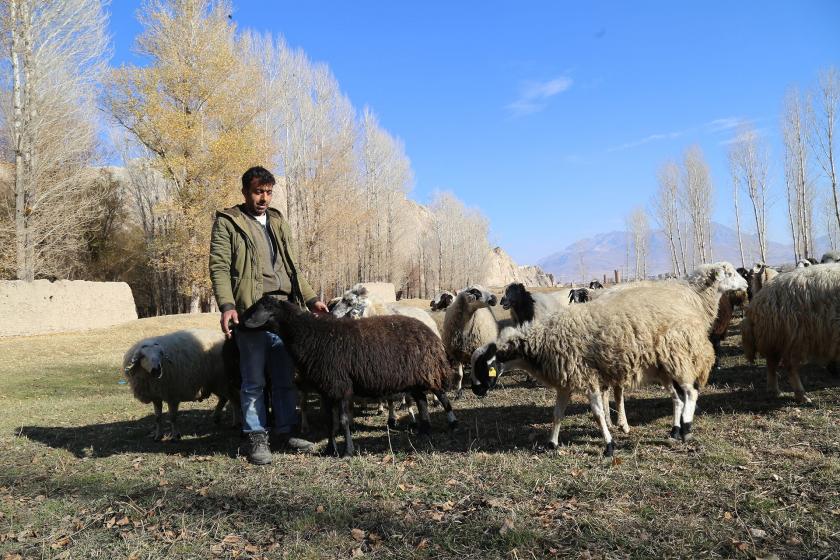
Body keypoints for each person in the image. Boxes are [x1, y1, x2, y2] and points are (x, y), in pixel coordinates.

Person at [209, 166, 329, 464]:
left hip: (285, 311)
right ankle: (257, 436)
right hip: (252, 309)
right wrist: (227, 306)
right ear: (245, 192)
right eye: (257, 192)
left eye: (268, 192)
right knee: (253, 379)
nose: (263, 198)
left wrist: (311, 298)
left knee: (284, 376)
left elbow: (292, 266)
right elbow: (219, 267)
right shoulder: (229, 222)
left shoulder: (277, 220)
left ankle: (286, 430)